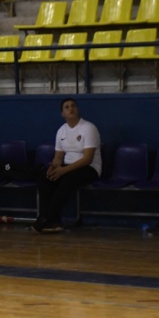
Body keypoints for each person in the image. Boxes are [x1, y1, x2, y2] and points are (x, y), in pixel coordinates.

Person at [32, 98, 102, 233]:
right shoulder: (61, 131)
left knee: (67, 180)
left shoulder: (88, 128)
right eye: (67, 107)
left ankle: (46, 218)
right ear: (62, 114)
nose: (71, 109)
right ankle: (55, 222)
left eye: (73, 106)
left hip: (89, 168)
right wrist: (54, 167)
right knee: (45, 178)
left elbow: (87, 159)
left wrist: (63, 171)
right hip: (68, 167)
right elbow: (58, 157)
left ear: (77, 109)